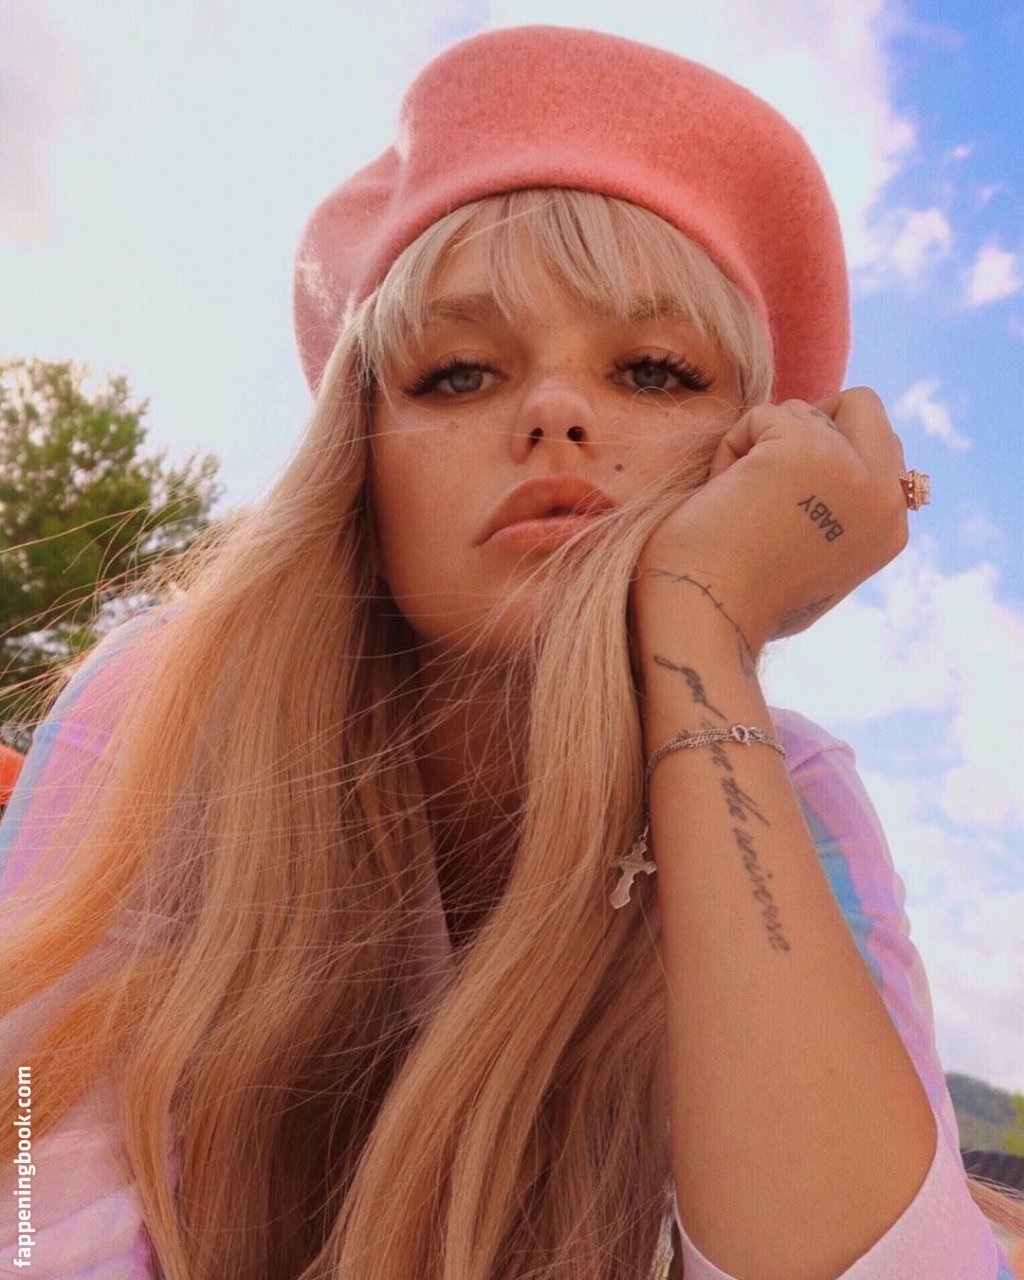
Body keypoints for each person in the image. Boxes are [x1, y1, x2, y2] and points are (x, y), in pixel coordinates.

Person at [1, 23, 1022, 1280]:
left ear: (745, 463)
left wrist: (698, 627)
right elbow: (24, 1202)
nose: (554, 410)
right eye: (458, 373)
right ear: (359, 459)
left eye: (654, 369)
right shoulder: (166, 703)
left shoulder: (793, 792)